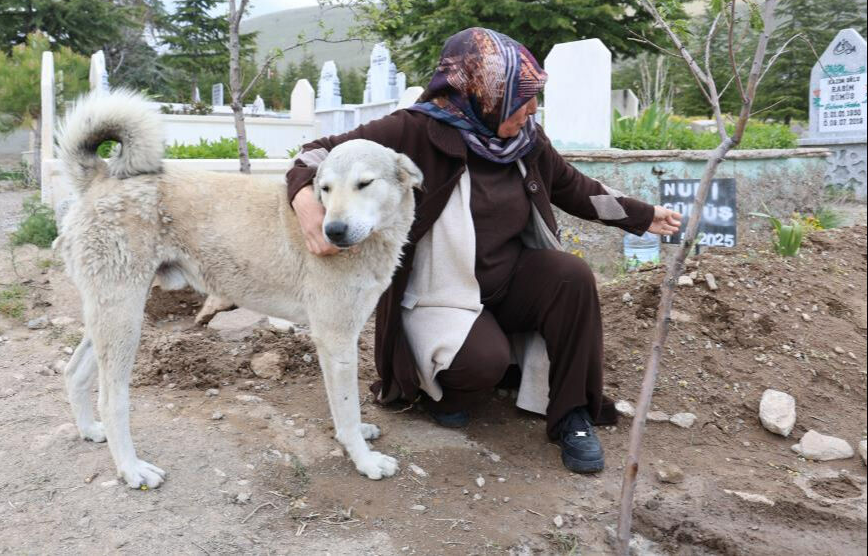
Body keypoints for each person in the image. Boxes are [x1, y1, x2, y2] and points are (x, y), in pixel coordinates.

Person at [286, 28, 681, 474]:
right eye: (521, 98)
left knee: (570, 276)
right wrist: (304, 200)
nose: (532, 109)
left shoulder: (525, 139)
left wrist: (643, 215)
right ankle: (443, 391)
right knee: (481, 364)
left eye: (533, 97)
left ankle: (572, 414)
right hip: (440, 291)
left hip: (506, 278)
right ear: (482, 93)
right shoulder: (413, 130)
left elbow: (573, 187)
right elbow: (316, 154)